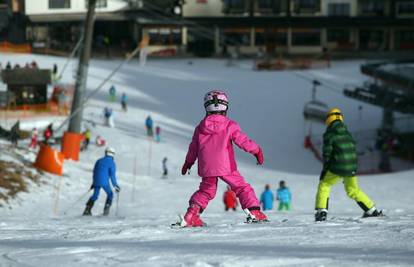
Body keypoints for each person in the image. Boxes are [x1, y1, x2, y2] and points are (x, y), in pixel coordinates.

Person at [173, 90, 267, 228]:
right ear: (225, 107)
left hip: (207, 166)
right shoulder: (230, 125)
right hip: (226, 165)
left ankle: (192, 214)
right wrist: (256, 150)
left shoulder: (200, 127)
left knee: (206, 191)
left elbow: (193, 147)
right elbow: (243, 141)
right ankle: (254, 212)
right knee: (241, 187)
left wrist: (188, 162)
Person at [314, 108, 383, 222]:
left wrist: (325, 170)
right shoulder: (347, 133)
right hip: (351, 166)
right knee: (353, 190)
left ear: (329, 119)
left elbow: (327, 154)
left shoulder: (330, 134)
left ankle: (321, 212)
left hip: (337, 166)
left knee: (324, 185)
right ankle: (372, 210)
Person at [83, 147, 120, 216]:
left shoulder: (99, 160)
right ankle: (106, 211)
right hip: (104, 182)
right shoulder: (112, 163)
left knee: (95, 195)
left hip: (96, 181)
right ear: (113, 154)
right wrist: (115, 185)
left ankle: (87, 209)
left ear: (106, 152)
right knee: (110, 194)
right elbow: (112, 176)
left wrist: (93, 183)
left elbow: (95, 172)